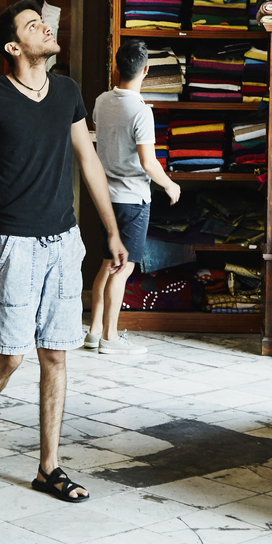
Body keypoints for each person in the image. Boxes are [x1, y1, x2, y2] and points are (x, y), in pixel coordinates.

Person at [0, 0, 127, 504]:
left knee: (56, 353)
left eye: (43, 21)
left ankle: (48, 466)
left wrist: (112, 232)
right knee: (12, 357)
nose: (46, 27)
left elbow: (90, 164)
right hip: (14, 243)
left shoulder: (68, 91)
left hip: (63, 240)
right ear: (13, 47)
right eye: (33, 25)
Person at [86, 40, 180, 355]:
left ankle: (94, 330)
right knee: (122, 268)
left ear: (117, 67)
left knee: (107, 264)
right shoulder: (141, 111)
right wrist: (169, 184)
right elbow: (148, 162)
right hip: (132, 199)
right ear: (146, 71)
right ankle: (110, 339)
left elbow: (102, 137)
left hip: (105, 196)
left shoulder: (101, 101)